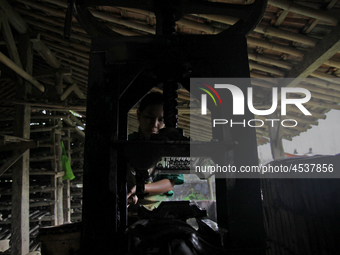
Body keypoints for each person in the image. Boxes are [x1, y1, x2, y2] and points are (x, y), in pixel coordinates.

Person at [127, 92, 184, 208]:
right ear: (138, 115)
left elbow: (169, 183)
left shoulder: (169, 147)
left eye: (161, 120)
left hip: (158, 207)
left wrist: (141, 188)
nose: (154, 124)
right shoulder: (127, 144)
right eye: (149, 117)